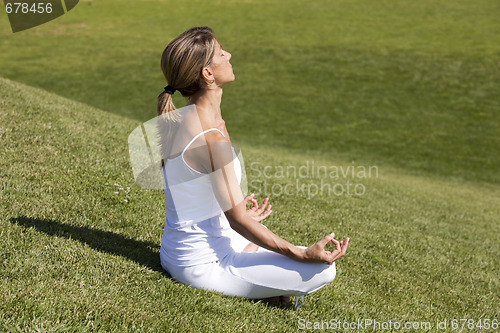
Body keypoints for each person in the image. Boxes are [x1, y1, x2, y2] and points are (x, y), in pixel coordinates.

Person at [156, 26, 349, 308]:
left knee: (263, 238)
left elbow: (190, 191)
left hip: (179, 249)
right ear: (207, 74)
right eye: (221, 53)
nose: (229, 54)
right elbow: (237, 220)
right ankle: (261, 289)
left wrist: (233, 212)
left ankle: (260, 275)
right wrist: (301, 255)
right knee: (322, 269)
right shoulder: (209, 136)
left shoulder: (187, 118)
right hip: (202, 265)